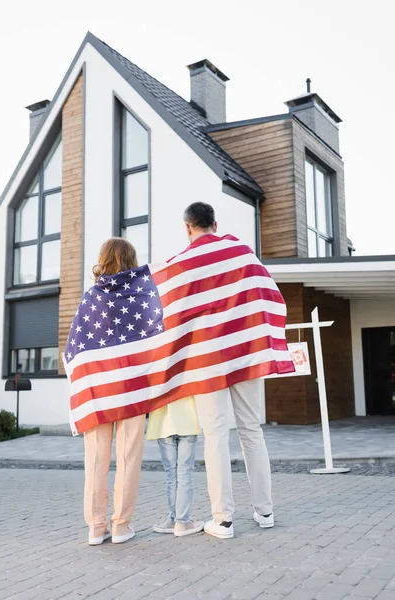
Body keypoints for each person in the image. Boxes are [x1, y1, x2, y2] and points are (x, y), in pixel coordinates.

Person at [183, 202, 274, 540]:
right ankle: (265, 511)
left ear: (189, 228)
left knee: (216, 434)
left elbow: (172, 310)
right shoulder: (242, 253)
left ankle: (222, 521)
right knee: (252, 429)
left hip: (207, 359)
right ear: (215, 224)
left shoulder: (184, 263)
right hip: (246, 354)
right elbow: (267, 294)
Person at [80, 238, 146, 545]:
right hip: (131, 388)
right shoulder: (142, 296)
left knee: (96, 459)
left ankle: (96, 527)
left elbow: (75, 349)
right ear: (132, 259)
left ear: (102, 259)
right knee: (129, 456)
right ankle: (120, 526)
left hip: (97, 389)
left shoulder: (91, 297)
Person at [146, 396, 204, 537]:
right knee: (185, 473)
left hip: (163, 423)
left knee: (171, 474)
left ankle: (173, 519)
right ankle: (183, 521)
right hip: (187, 420)